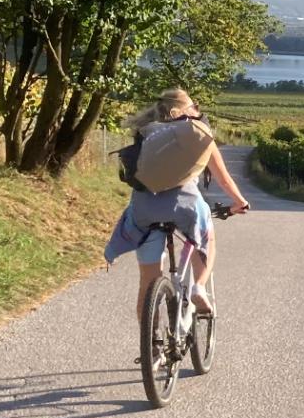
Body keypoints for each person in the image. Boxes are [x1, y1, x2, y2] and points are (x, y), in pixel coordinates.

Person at [103, 88, 250, 323]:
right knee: (207, 238)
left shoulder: (146, 135)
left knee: (148, 284)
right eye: (195, 107)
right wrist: (240, 202)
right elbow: (223, 179)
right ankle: (198, 288)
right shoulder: (197, 135)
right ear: (188, 110)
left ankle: (151, 349)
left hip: (144, 210)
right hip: (185, 207)